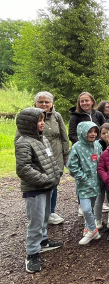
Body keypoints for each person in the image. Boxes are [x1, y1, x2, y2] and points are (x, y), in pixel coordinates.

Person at [16, 107, 63, 273]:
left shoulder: (43, 140)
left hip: (47, 185)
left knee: (44, 217)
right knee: (35, 221)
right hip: (35, 189)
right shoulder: (24, 142)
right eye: (39, 120)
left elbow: (51, 160)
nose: (43, 123)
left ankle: (42, 241)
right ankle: (32, 253)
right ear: (29, 124)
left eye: (43, 120)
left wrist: (56, 173)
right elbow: (23, 169)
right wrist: (45, 179)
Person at [18, 92, 69, 225]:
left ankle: (50, 211)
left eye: (47, 102)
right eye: (41, 102)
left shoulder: (57, 117)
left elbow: (64, 137)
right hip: (38, 159)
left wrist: (65, 155)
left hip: (55, 157)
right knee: (41, 185)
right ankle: (40, 217)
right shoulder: (29, 117)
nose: (44, 104)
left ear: (52, 103)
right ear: (35, 103)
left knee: (54, 185)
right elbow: (19, 138)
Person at [67, 121, 103, 245]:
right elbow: (72, 166)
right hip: (84, 184)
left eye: (95, 131)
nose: (93, 134)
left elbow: (101, 161)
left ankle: (88, 227)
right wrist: (83, 178)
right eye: (89, 131)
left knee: (91, 208)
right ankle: (93, 231)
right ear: (82, 132)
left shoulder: (97, 145)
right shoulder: (77, 147)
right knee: (86, 209)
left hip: (96, 183)